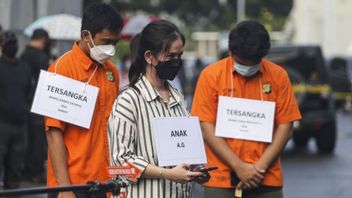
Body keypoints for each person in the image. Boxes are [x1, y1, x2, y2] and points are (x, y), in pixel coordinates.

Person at [191, 20, 302, 198]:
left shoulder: (278, 76)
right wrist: (239, 166)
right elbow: (206, 126)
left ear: (263, 55)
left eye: (254, 63)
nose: (248, 67)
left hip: (266, 178)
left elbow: (286, 126)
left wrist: (259, 168)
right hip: (221, 179)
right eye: (242, 62)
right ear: (230, 52)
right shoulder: (211, 76)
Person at [107, 20, 208, 198]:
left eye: (180, 56)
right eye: (170, 56)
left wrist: (195, 169)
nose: (176, 62)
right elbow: (121, 163)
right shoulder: (128, 101)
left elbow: (184, 149)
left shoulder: (177, 97)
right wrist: (167, 174)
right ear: (149, 57)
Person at [45, 3, 123, 198]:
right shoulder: (61, 69)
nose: (110, 49)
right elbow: (54, 132)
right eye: (105, 41)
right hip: (72, 183)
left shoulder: (111, 71)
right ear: (86, 35)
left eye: (115, 42)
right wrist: (64, 188)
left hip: (105, 181)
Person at [0, 31, 31, 190]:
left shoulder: (24, 68)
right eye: (9, 43)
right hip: (2, 124)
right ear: (2, 46)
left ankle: (12, 191)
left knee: (16, 163)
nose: (12, 46)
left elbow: (28, 92)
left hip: (20, 125)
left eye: (14, 43)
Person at [20, 28, 51, 183]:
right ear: (43, 40)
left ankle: (25, 170)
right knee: (38, 140)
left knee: (27, 139)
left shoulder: (23, 55)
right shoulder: (42, 57)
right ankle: (35, 172)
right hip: (38, 104)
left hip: (23, 103)